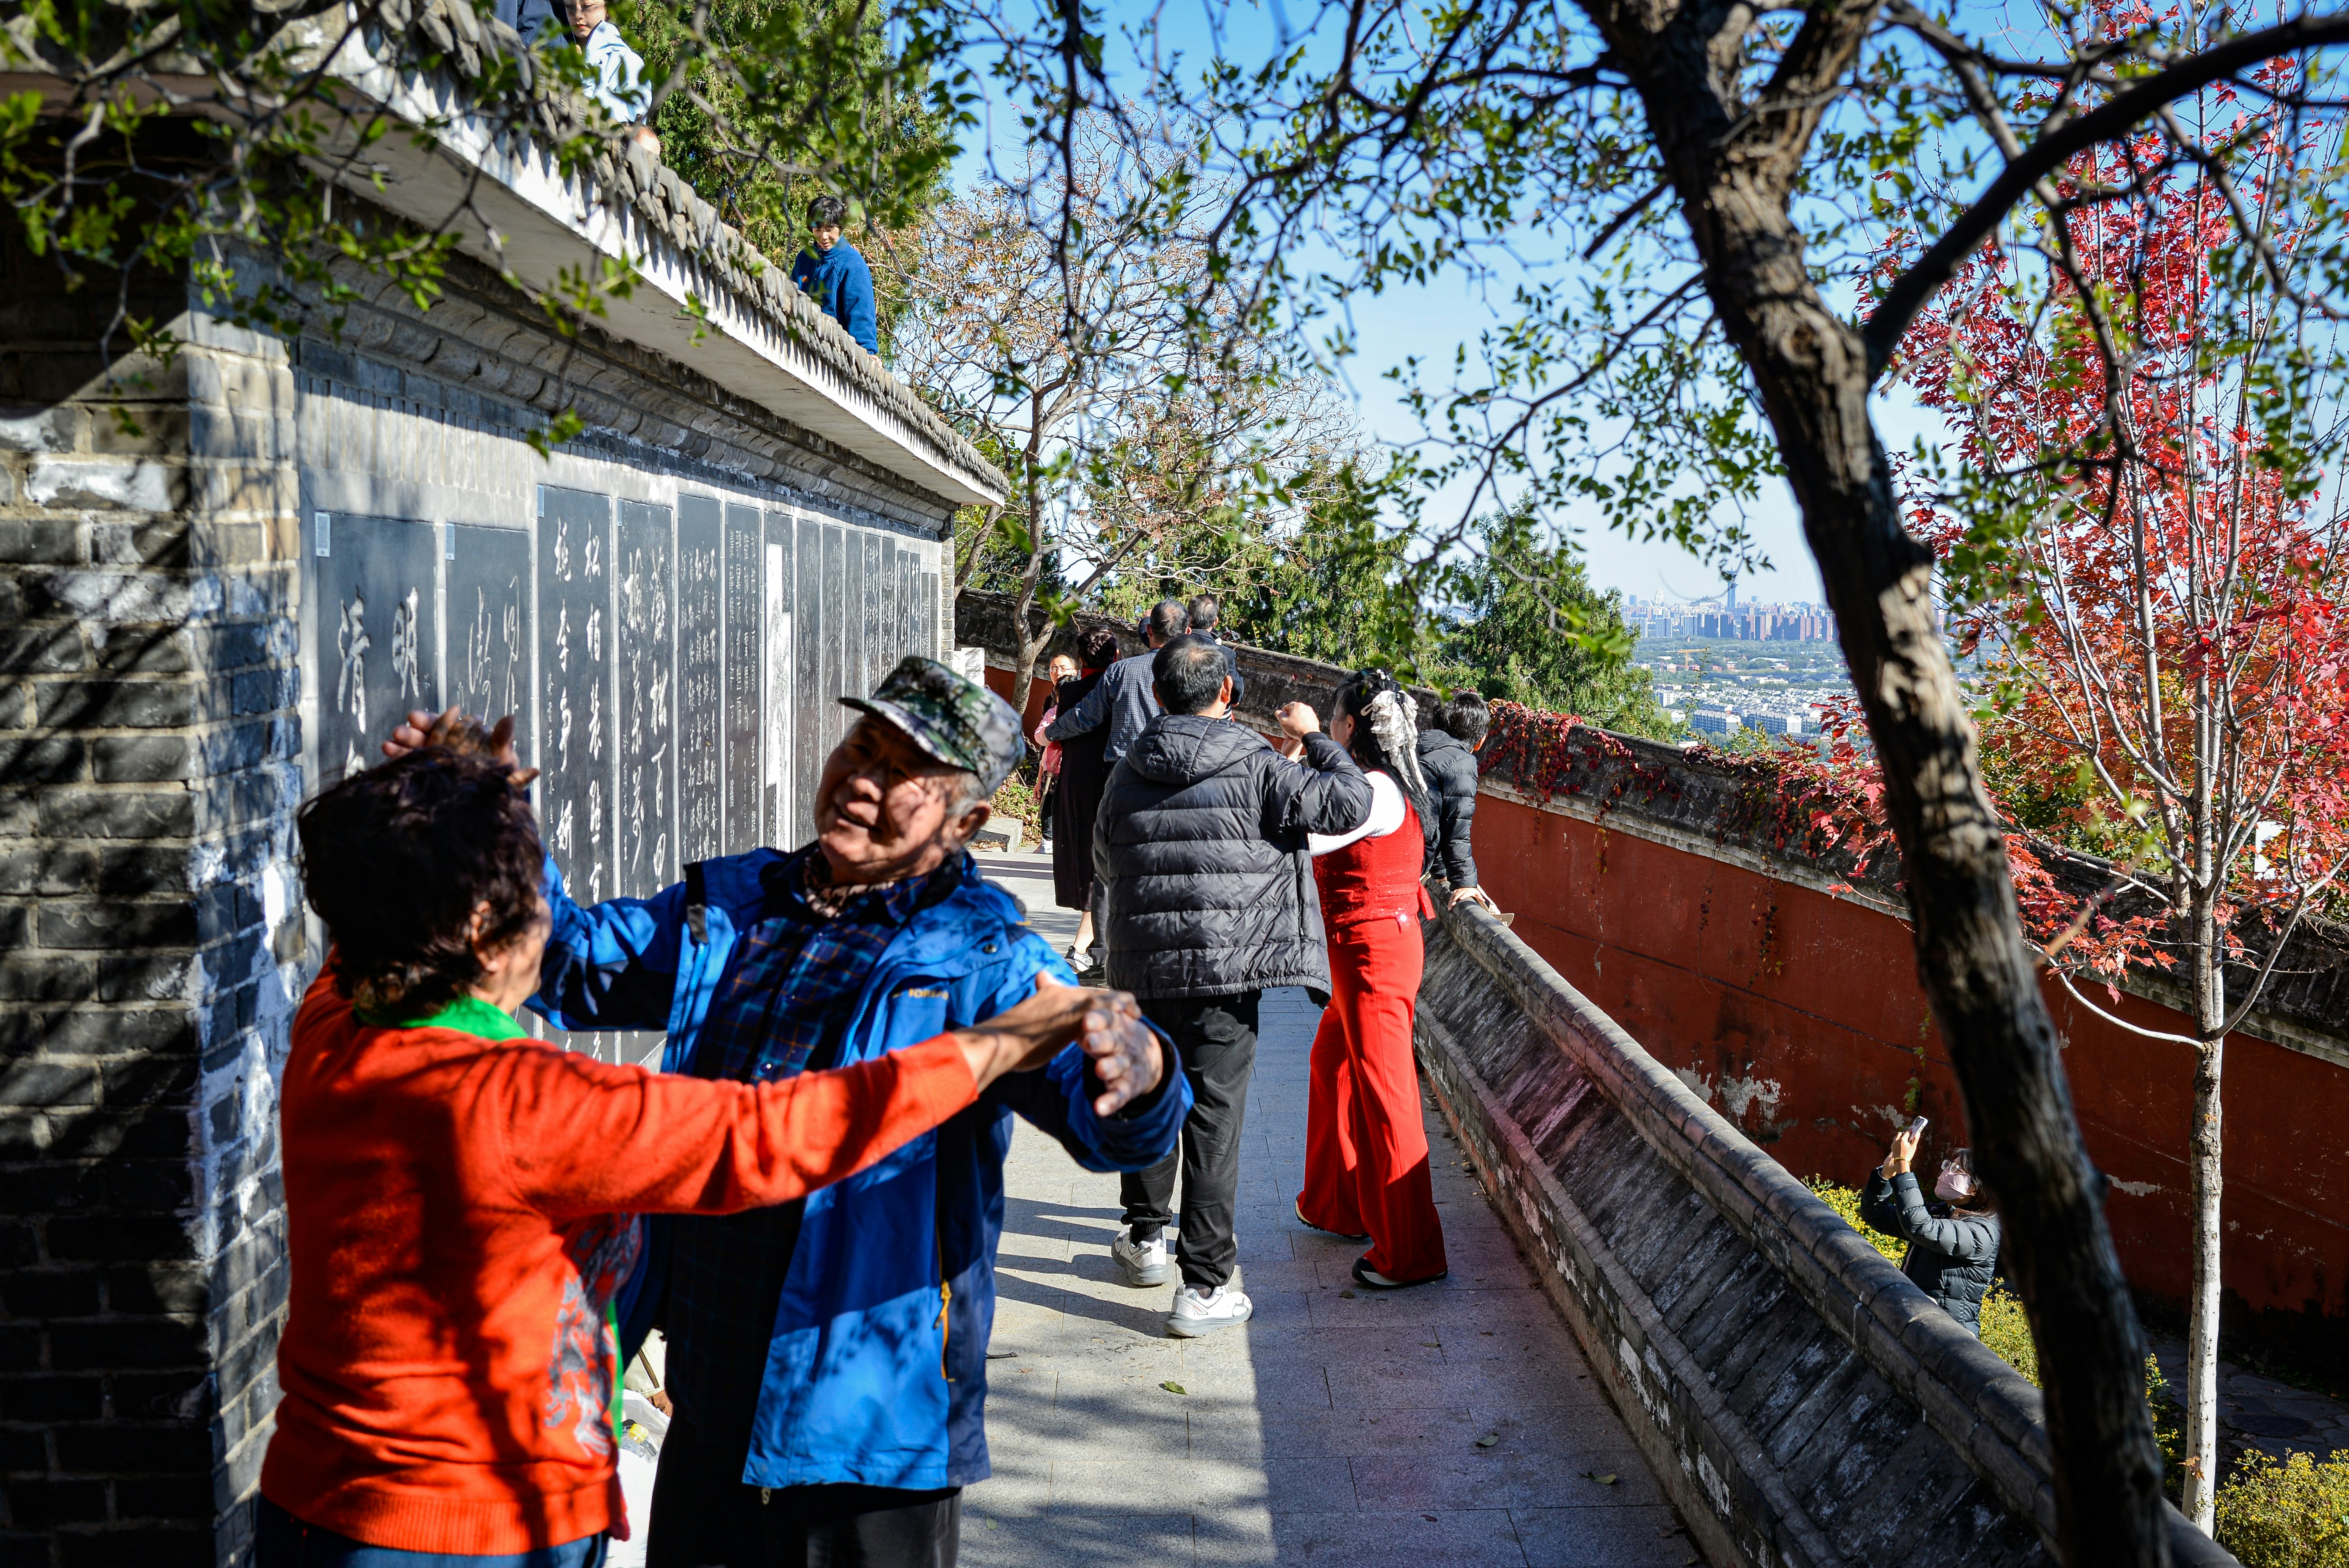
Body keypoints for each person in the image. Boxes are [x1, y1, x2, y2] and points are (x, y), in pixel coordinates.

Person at [261, 742, 1160, 1566]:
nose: (859, 780)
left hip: (860, 1420)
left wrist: (1148, 1070)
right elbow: (755, 1132)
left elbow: (1115, 1121)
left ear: (966, 822)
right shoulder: (710, 929)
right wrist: (989, 1048)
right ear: (484, 928)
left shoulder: (338, 1011)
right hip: (655, 1421)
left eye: (902, 770)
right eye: (861, 749)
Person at [1094, 636, 1375, 1334]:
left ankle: (1145, 1239)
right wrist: (1313, 739)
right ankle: (1204, 1286)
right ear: (1227, 694)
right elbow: (1350, 804)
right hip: (1228, 970)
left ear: (1158, 696)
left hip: (1140, 965)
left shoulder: (1128, 766)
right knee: (1214, 1122)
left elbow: (1104, 856)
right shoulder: (1257, 763)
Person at [1290, 671, 1449, 1290]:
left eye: (1332, 720)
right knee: (1331, 1064)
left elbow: (1308, 833)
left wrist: (1305, 745)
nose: (1329, 727)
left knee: (1388, 1097)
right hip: (1371, 951)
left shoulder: (1376, 791)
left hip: (1374, 956)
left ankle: (1411, 1252)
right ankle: (1339, 1204)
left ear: (1349, 727)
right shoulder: (1390, 784)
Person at [1046, 599, 1188, 970]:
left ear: (1149, 632)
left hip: (1123, 777)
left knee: (1109, 867)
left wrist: (1052, 733)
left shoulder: (1123, 671)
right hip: (1178, 778)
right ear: (1187, 633)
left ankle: (1107, 955)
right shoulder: (1197, 669)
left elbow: (1087, 716)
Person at [1860, 1129, 2002, 1337]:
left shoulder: (1982, 1233)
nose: (1947, 1172)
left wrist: (1904, 1166)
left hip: (1949, 1336)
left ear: (1976, 1189)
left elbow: (1920, 1226)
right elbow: (1877, 1215)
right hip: (1917, 1322)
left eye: (1958, 1170)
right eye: (1949, 1165)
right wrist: (1885, 1175)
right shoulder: (1944, 1213)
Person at [1049, 627, 1122, 978]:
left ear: (1080, 660)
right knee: (1106, 861)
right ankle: (1095, 946)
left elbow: (1062, 735)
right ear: (1117, 657)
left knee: (1082, 854)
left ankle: (1088, 945)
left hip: (1076, 780)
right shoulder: (1121, 688)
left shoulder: (1071, 690)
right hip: (1111, 780)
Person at [1417, 688, 1496, 912]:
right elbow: (1455, 828)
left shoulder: (1412, 746)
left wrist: (1441, 873)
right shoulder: (1461, 761)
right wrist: (1465, 883)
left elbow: (1431, 819)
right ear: (1480, 741)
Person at [554, 0, 660, 155]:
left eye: (587, 7)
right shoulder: (555, 45)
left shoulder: (629, 62)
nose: (578, 15)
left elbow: (631, 128)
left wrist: (584, 74)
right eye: (570, 7)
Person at [790, 194, 879, 354]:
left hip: (836, 352)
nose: (824, 237)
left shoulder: (853, 264)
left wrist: (867, 352)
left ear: (840, 227)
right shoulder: (804, 258)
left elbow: (861, 313)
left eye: (830, 230)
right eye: (818, 230)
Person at [1032, 652, 1080, 850]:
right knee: (1049, 804)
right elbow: (1043, 741)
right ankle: (1048, 841)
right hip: (1052, 766)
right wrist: (1040, 777)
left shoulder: (1083, 701)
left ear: (1074, 672)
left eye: (1062, 668)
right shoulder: (1049, 705)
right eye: (1053, 668)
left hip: (1074, 767)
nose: (1057, 672)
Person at [1185, 592, 1247, 710]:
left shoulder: (1174, 644)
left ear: (1189, 618)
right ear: (1215, 621)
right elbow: (1236, 690)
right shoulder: (1225, 654)